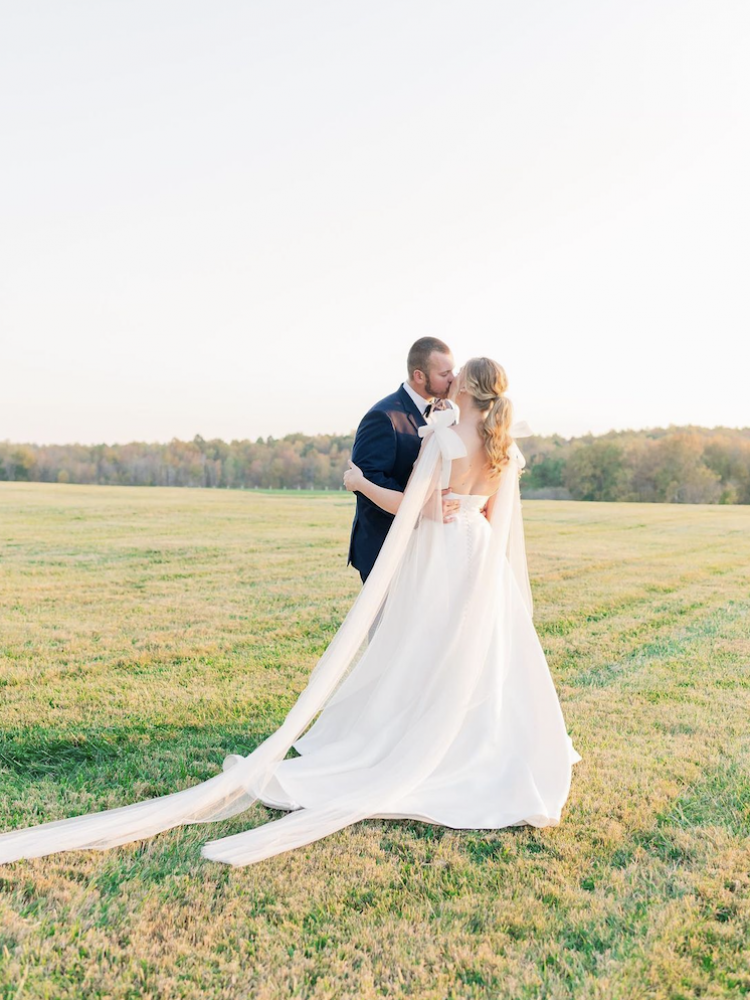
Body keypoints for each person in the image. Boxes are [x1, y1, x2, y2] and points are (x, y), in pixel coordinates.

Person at [0, 357, 580, 868]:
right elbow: (491, 520)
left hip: (442, 557)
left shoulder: (448, 439)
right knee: (479, 654)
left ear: (468, 392)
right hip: (481, 558)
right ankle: (483, 744)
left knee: (420, 651)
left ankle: (415, 741)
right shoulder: (509, 449)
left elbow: (417, 511)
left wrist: (358, 481)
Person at [348, 336, 459, 583]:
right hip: (385, 544)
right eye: (445, 373)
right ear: (419, 376)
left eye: (453, 371)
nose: (453, 378)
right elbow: (368, 480)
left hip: (427, 543)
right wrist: (424, 506)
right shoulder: (383, 416)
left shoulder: (446, 412)